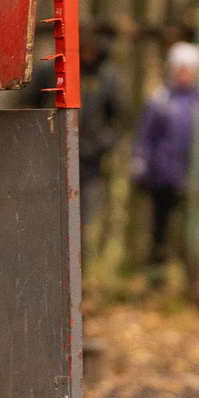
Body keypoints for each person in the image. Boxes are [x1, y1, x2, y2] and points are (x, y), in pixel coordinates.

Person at [129, 44, 199, 284]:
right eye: (180, 68)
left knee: (193, 235)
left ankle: (192, 286)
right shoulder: (160, 100)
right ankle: (156, 283)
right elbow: (146, 138)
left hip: (198, 180)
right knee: (160, 232)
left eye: (189, 68)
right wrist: (142, 165)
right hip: (163, 179)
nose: (184, 73)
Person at [77, 47, 129, 261]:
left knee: (85, 219)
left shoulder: (109, 78)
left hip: (92, 162)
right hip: (56, 158)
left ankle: (84, 268)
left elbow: (121, 117)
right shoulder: (56, 70)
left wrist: (102, 143)